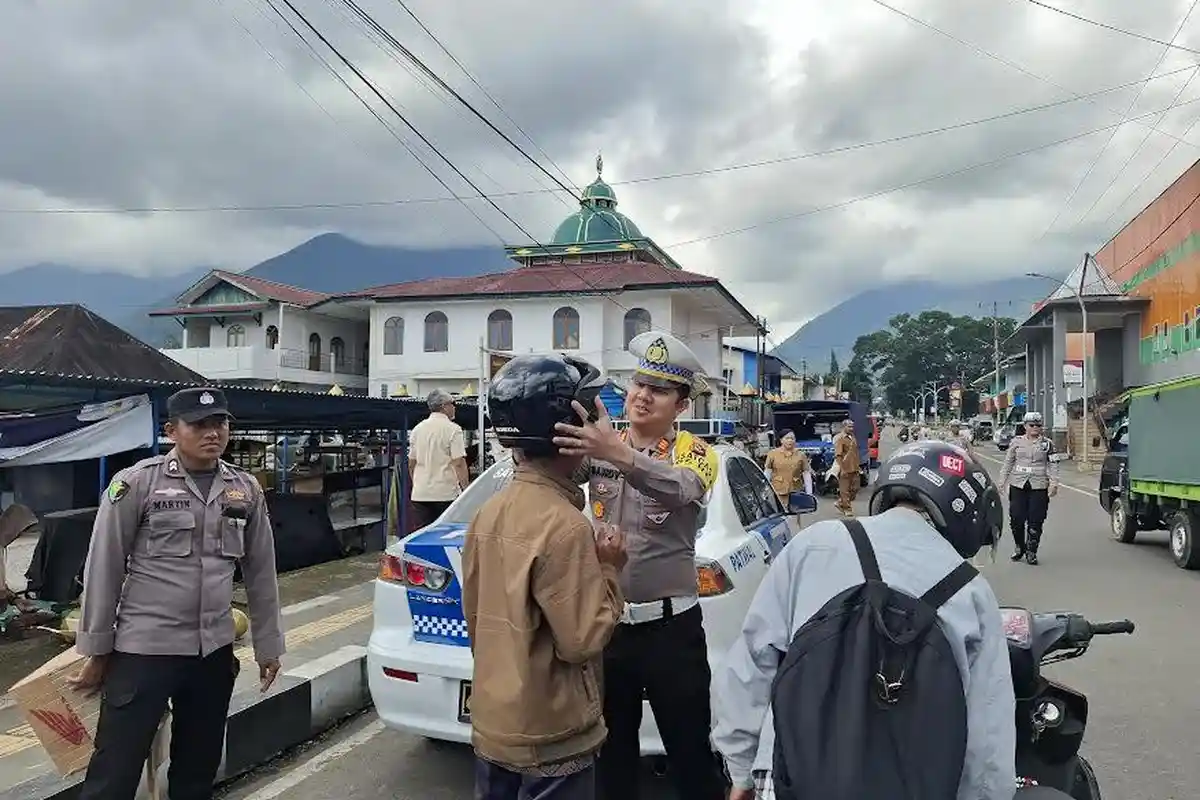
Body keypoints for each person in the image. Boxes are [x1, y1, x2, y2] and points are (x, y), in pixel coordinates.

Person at [711, 440, 1015, 800]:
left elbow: (751, 666)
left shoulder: (813, 544)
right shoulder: (970, 589)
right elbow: (987, 734)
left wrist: (744, 771)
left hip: (789, 774)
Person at [72, 387, 284, 800]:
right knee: (113, 773)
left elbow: (261, 572)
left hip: (212, 653)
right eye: (199, 424)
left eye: (219, 423)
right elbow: (104, 568)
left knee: (196, 771)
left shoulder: (245, 489)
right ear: (172, 430)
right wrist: (96, 651)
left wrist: (268, 646)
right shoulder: (135, 484)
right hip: (143, 652)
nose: (213, 433)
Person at [552, 331, 727, 800]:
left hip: (673, 632)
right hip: (610, 627)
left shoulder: (696, 452)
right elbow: (557, 477)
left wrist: (620, 455)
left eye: (659, 389)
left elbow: (682, 489)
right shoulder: (602, 445)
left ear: (682, 404)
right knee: (610, 757)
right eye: (638, 383)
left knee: (690, 754)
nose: (643, 396)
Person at [463, 354, 626, 799]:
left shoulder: (486, 513)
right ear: (570, 435)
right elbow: (583, 639)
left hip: (494, 726)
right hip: (551, 737)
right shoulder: (566, 526)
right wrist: (610, 569)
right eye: (591, 420)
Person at [997, 410, 1059, 565]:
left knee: (1036, 519)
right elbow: (1008, 462)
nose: (1035, 428)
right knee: (1016, 518)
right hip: (1018, 484)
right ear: (1025, 426)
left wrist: (1054, 482)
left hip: (1038, 485)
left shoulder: (1047, 444)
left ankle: (1032, 551)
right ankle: (1020, 547)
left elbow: (1053, 464)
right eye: (1032, 425)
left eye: (1038, 425)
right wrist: (1002, 481)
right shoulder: (1016, 442)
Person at [408, 389, 468, 529]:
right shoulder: (453, 429)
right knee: (445, 535)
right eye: (453, 403)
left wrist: (417, 483)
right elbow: (458, 462)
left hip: (420, 494)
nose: (454, 407)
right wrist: (466, 489)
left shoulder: (417, 429)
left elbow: (412, 463)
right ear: (444, 406)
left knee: (423, 535)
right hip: (445, 493)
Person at [764, 429, 812, 508]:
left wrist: (809, 494)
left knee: (794, 514)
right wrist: (765, 489)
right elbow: (767, 472)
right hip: (778, 491)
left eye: (792, 438)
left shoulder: (801, 455)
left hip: (795, 490)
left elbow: (806, 473)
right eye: (787, 438)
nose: (790, 441)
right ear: (781, 440)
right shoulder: (772, 454)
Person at [832, 419, 861, 516]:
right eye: (849, 426)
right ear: (844, 427)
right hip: (845, 468)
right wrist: (842, 469)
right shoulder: (840, 438)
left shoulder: (852, 437)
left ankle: (841, 503)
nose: (851, 428)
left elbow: (855, 453)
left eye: (852, 426)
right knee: (844, 490)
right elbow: (838, 455)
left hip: (855, 467)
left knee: (855, 488)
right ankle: (847, 509)